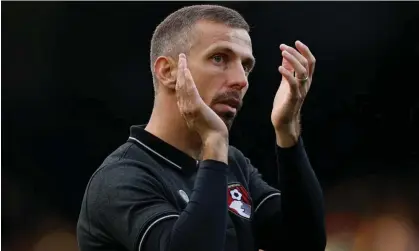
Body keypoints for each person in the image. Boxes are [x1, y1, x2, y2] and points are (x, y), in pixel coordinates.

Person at [77, 4, 326, 251]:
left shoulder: (232, 163)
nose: (241, 80)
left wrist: (288, 130)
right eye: (219, 58)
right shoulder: (120, 178)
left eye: (246, 66)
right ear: (167, 71)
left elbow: (304, 243)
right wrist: (215, 142)